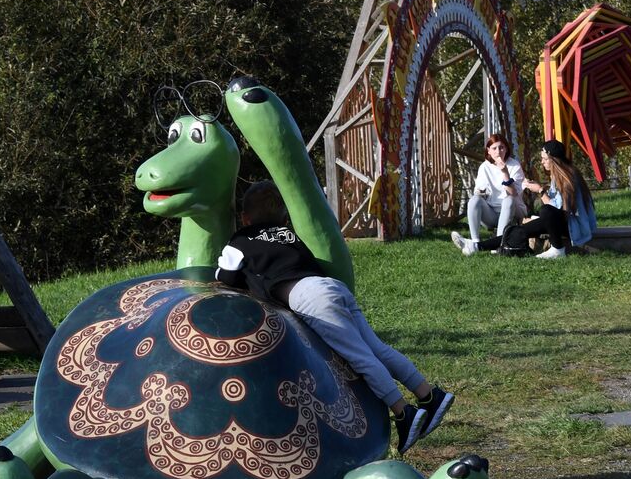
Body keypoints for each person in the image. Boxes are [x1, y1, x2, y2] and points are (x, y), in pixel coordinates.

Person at [217, 181, 453, 454]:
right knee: (376, 349)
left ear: (245, 218)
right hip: (330, 286)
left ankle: (403, 412)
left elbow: (225, 275)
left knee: (360, 357)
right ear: (283, 218)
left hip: (308, 297)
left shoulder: (241, 241)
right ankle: (429, 395)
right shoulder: (287, 234)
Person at [459, 140, 595, 258]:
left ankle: (558, 249)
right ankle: (476, 246)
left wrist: (540, 191)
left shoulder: (567, 178)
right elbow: (556, 212)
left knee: (546, 211)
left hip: (573, 227)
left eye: (544, 158)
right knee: (520, 230)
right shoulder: (559, 176)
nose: (542, 162)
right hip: (562, 222)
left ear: (553, 159)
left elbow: (562, 212)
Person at [453, 133, 527, 253]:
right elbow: (480, 190)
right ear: (488, 151)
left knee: (508, 200)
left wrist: (505, 172)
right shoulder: (484, 167)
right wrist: (481, 192)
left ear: (506, 149)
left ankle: (497, 244)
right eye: (494, 148)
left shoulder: (514, 165)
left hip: (512, 212)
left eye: (501, 147)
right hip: (491, 212)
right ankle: (475, 242)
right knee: (474, 200)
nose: (498, 151)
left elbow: (514, 194)